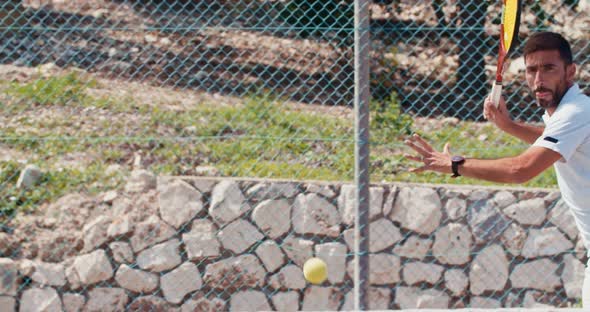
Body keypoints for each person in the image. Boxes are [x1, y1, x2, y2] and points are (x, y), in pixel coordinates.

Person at [404, 31, 590, 306]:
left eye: (549, 68)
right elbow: (557, 141)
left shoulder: (575, 112)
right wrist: (509, 126)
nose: (539, 79)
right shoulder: (572, 113)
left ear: (570, 71)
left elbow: (520, 169)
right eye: (531, 70)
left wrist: (454, 165)